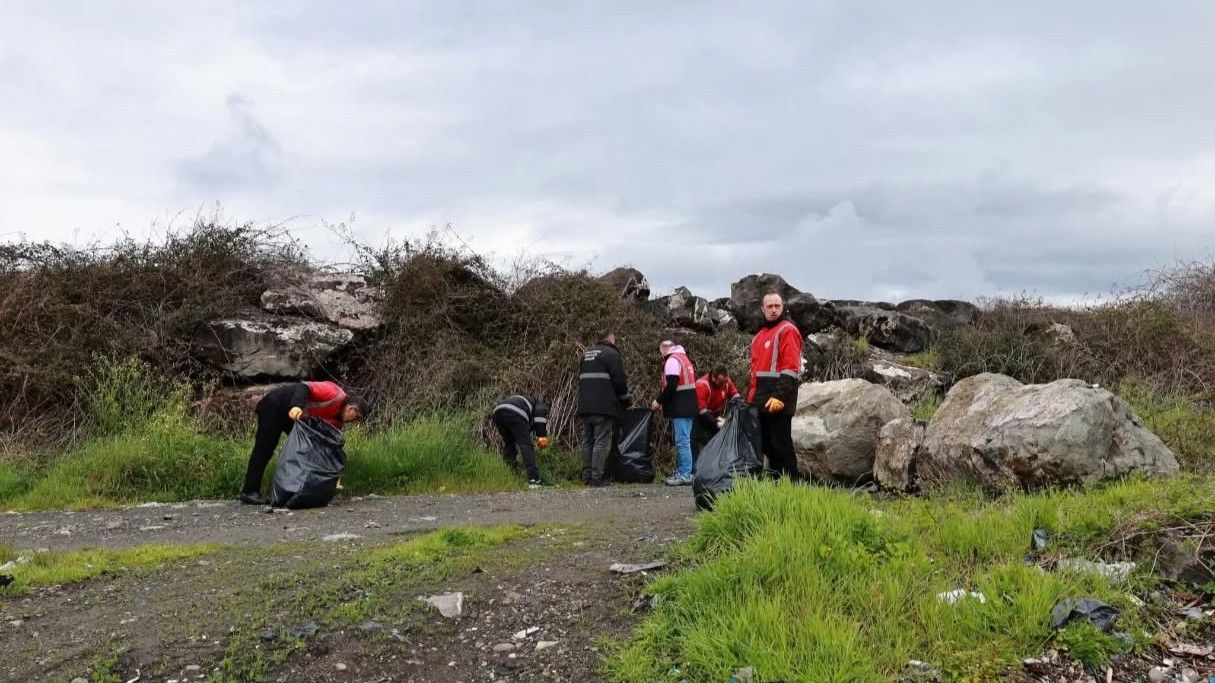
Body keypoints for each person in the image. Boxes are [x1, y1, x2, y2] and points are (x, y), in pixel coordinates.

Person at [240, 381, 366, 505]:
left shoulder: (337, 422)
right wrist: (296, 406)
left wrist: (334, 477)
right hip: (276, 404)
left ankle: (295, 491)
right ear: (351, 408)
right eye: (357, 417)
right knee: (265, 449)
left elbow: (327, 449)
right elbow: (304, 386)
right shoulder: (334, 393)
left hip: (295, 419)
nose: (355, 422)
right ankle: (249, 492)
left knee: (308, 451)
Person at [747, 292, 803, 479]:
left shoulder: (787, 330)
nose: (773, 310)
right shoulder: (758, 336)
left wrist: (780, 396)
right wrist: (750, 401)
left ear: (782, 307)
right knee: (767, 447)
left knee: (781, 446)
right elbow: (754, 373)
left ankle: (792, 488)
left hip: (778, 399)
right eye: (769, 306)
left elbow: (790, 368)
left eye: (777, 306)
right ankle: (777, 485)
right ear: (762, 309)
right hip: (761, 400)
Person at [578, 330, 630, 486]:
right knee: (601, 442)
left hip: (585, 405)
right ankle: (596, 478)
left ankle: (586, 476)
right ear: (611, 338)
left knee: (587, 441)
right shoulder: (611, 354)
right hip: (603, 406)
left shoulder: (586, 354)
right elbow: (619, 381)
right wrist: (625, 400)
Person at [651, 340, 696, 486]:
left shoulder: (672, 360)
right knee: (684, 440)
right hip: (689, 405)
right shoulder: (684, 358)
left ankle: (685, 474)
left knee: (682, 441)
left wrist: (658, 401)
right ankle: (684, 471)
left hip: (681, 406)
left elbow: (671, 386)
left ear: (663, 350)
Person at [491, 394, 551, 487]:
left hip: (498, 412)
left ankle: (510, 476)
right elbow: (540, 429)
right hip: (514, 412)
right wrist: (542, 442)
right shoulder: (540, 406)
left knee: (509, 445)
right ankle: (534, 479)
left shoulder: (524, 401)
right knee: (526, 445)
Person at [692, 366, 739, 460]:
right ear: (713, 378)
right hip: (700, 415)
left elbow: (735, 396)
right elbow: (702, 412)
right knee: (695, 439)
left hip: (714, 413)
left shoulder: (726, 382)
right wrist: (718, 423)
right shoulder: (702, 385)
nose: (723, 385)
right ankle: (694, 468)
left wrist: (739, 408)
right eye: (721, 383)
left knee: (720, 438)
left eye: (725, 382)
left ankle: (717, 465)